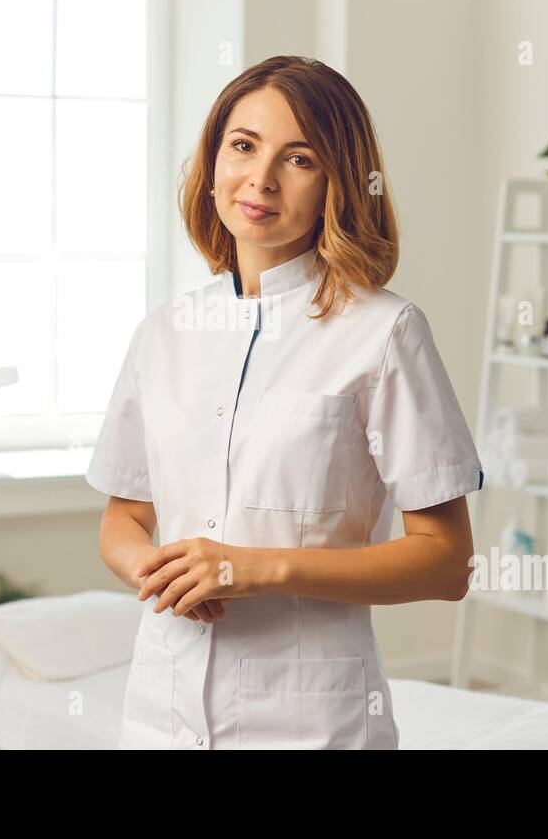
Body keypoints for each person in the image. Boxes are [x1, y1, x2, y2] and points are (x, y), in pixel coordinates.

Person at [88, 55, 483, 749]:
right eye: (243, 146)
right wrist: (153, 569)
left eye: (299, 158)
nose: (261, 179)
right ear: (213, 161)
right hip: (160, 708)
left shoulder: (385, 333)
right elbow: (123, 517)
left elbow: (447, 562)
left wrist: (253, 567)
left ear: (337, 181)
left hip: (310, 721)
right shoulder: (163, 333)